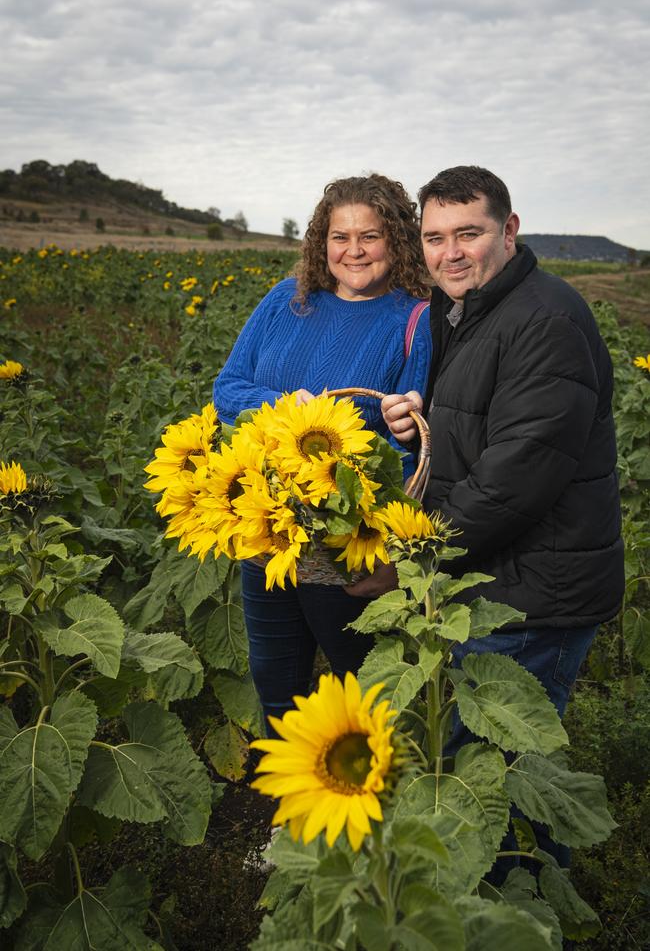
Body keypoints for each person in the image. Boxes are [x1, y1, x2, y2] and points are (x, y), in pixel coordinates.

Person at [352, 164, 624, 726]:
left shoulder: (545, 319)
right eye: (435, 237)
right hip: (493, 581)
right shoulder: (460, 312)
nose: (450, 253)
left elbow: (514, 478)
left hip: (534, 601)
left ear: (508, 231)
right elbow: (478, 428)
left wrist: (406, 557)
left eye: (468, 234)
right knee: (471, 765)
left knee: (498, 771)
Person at [212, 174, 432, 729]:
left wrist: (391, 433)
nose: (353, 251)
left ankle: (366, 803)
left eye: (370, 236)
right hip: (265, 527)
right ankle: (291, 806)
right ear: (320, 241)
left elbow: (405, 438)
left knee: (356, 682)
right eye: (340, 237)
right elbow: (228, 389)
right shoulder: (285, 301)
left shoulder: (415, 318)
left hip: (344, 538)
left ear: (398, 239)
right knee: (275, 676)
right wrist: (289, 408)